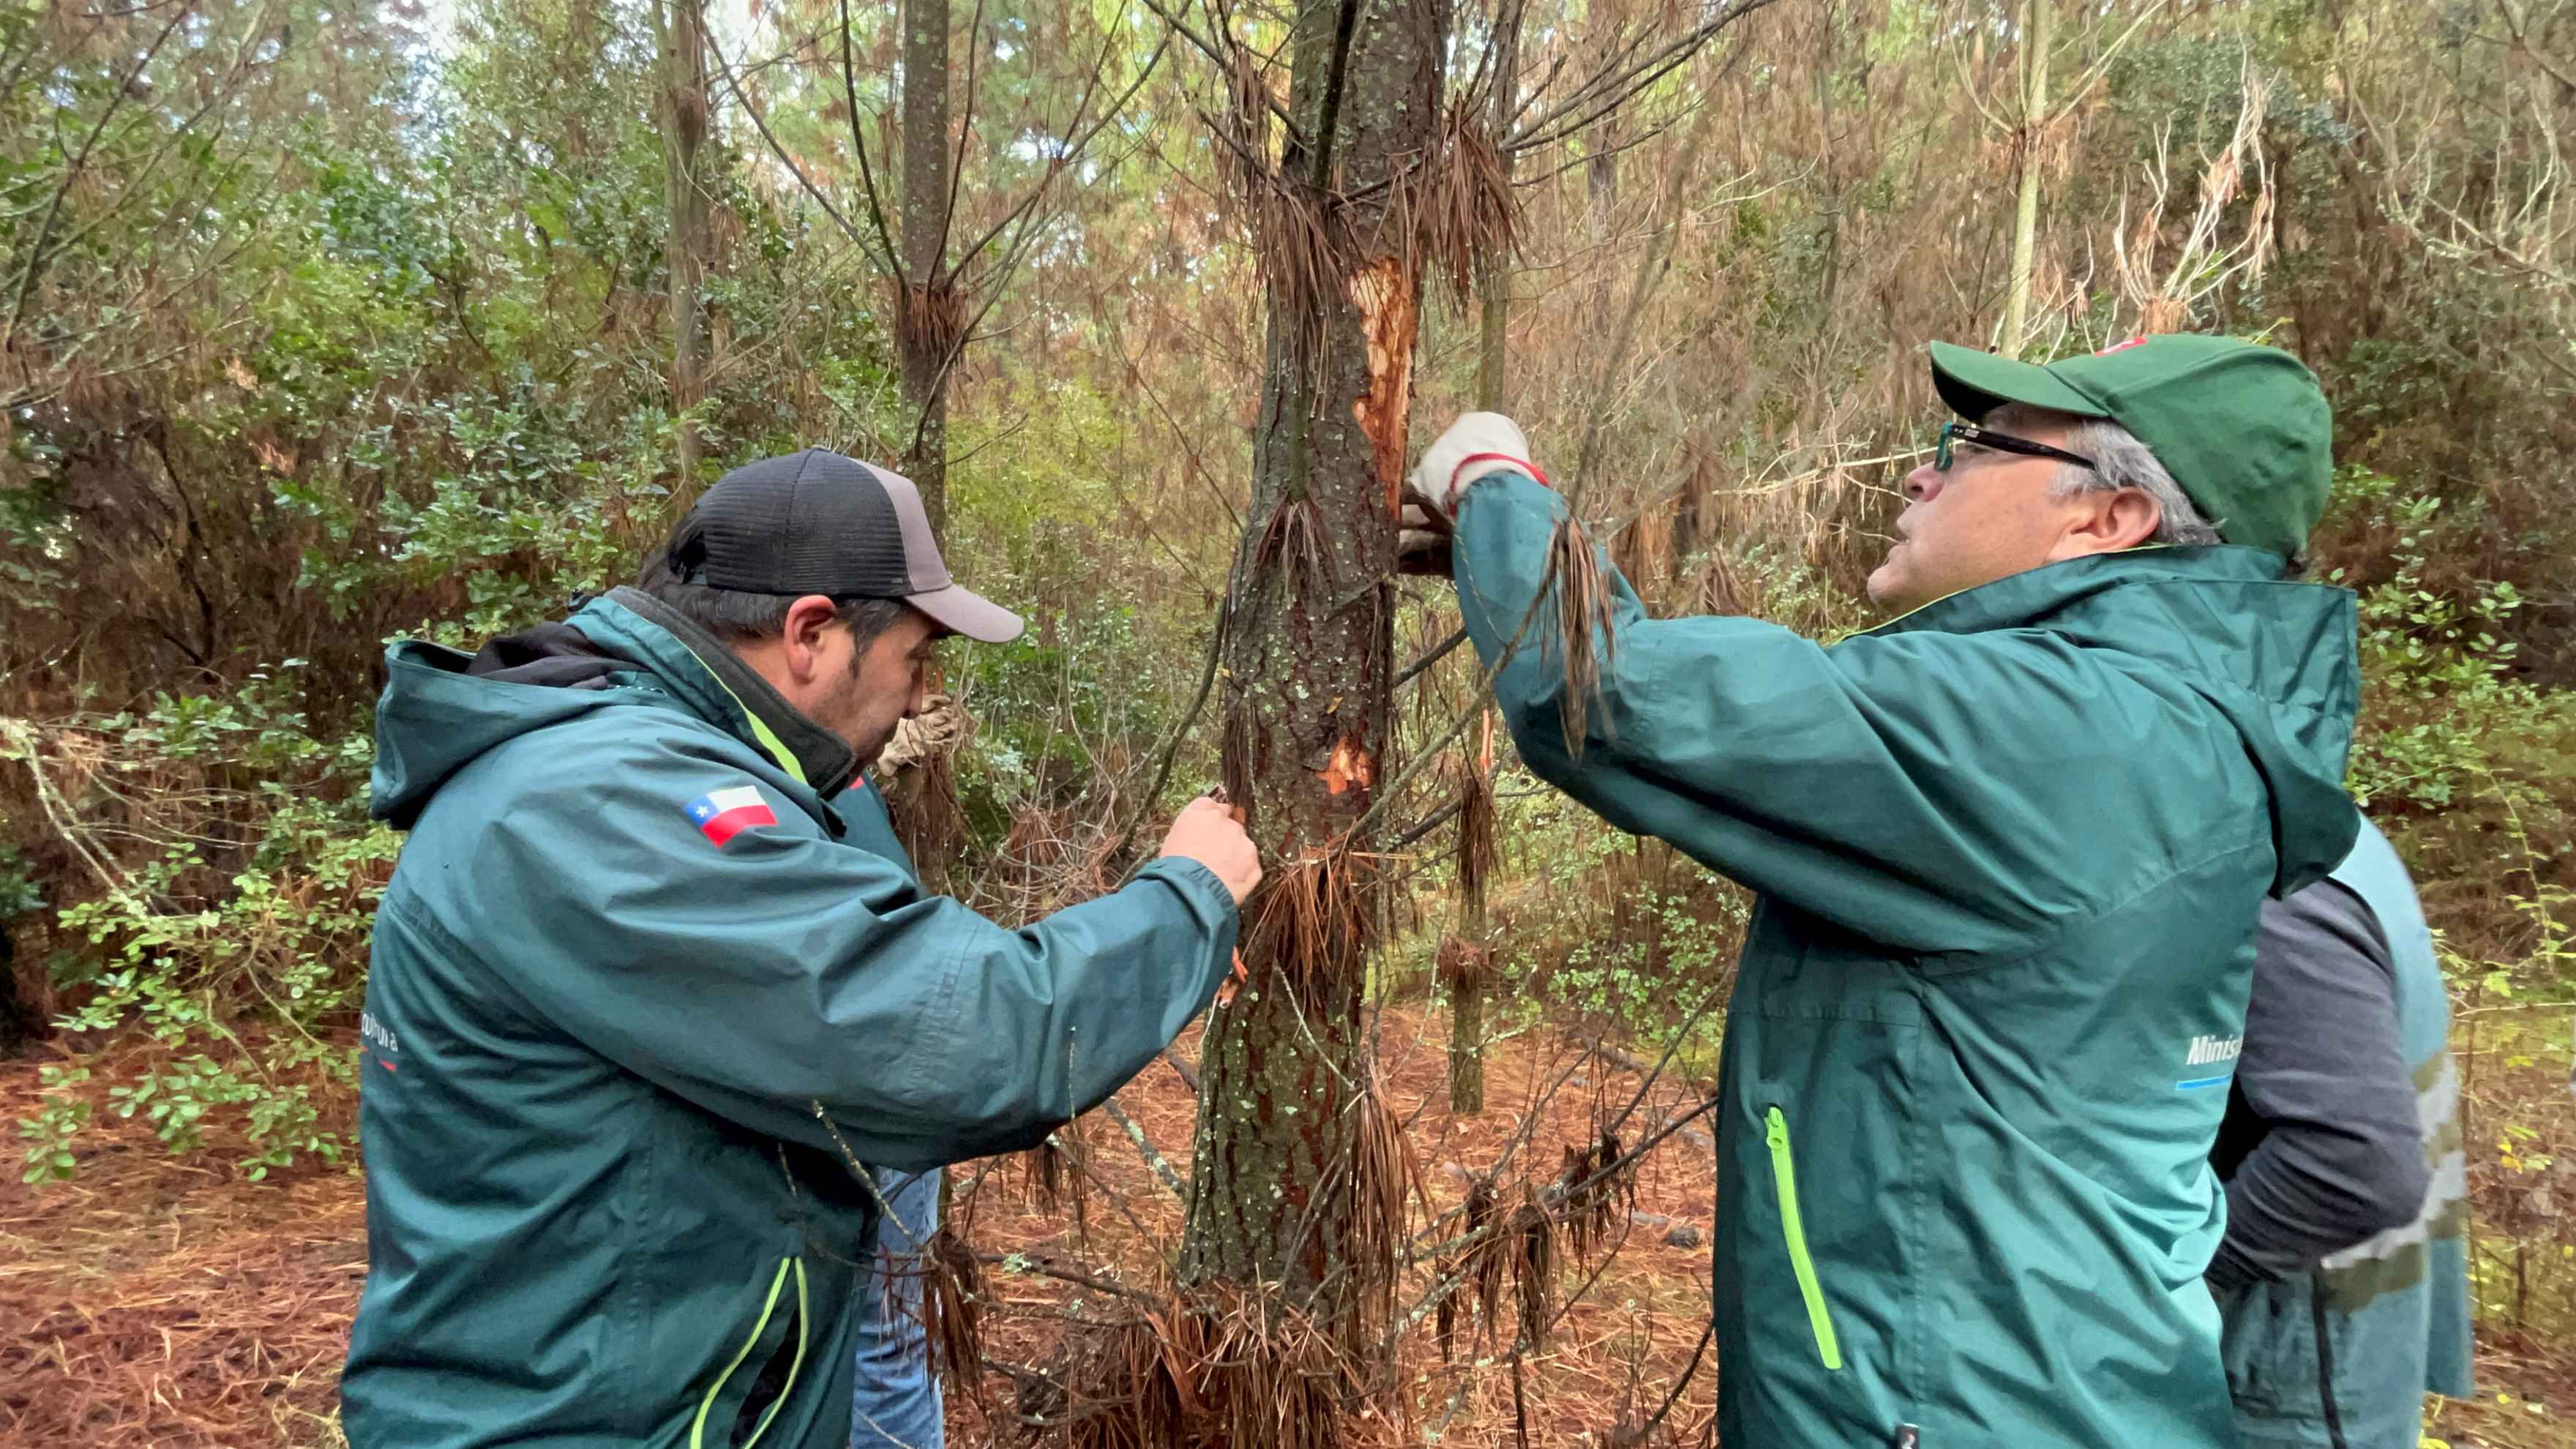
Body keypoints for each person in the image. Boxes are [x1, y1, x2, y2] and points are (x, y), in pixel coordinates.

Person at [1404, 334, 2362, 1446]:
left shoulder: (2062, 734)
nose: (1922, 474)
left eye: (1969, 448)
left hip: (1953, 1408)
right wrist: (1491, 550)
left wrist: (1491, 479)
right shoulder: (2171, 727)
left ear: (2109, 519)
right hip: (2047, 1385)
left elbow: (1604, 687)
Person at [340, 449, 1261, 1449]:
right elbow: (971, 1039)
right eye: (915, 659)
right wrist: (1189, 894)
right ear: (812, 634)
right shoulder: (609, 802)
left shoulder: (623, 758)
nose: (918, 700)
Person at [2212, 818, 2473, 1447]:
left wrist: (2170, 1279)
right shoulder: (2326, 820)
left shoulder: (2264, 877)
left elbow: (2356, 1163)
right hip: (2344, 1332)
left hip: (2288, 1357)